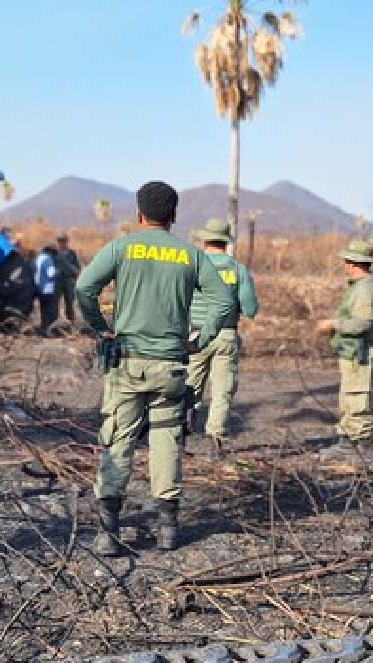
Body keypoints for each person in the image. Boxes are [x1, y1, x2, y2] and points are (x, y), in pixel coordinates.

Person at [76, 181, 233, 555]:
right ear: (174, 216)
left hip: (127, 362)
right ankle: (168, 530)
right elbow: (224, 301)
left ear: (138, 214)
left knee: (119, 438)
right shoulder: (191, 256)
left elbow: (84, 288)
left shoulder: (121, 248)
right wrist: (200, 338)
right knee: (166, 440)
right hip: (171, 365)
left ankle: (108, 531)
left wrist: (101, 327)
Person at [186, 218, 259, 455]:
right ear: (226, 242)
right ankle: (215, 440)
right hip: (226, 335)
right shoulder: (237, 269)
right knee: (221, 391)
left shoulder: (192, 266)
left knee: (189, 386)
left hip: (195, 335)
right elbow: (250, 309)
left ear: (205, 240)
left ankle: (182, 437)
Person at [315, 240, 373, 467]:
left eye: (347, 261)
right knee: (348, 399)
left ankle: (363, 447)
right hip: (353, 353)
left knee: (358, 400)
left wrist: (333, 325)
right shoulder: (361, 286)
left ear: (355, 263)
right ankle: (347, 443)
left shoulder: (365, 289)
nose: (344, 265)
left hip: (361, 353)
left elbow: (363, 323)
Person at [55, 232, 83, 324]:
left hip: (68, 281)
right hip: (57, 281)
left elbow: (77, 268)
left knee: (70, 303)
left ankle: (71, 322)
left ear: (67, 241)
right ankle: (55, 322)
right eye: (60, 241)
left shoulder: (72, 253)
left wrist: (74, 273)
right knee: (55, 302)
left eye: (63, 241)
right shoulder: (54, 253)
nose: (61, 243)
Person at [34, 245, 60, 330]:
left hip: (38, 287)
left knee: (43, 309)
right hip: (47, 288)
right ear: (50, 252)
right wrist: (58, 272)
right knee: (49, 310)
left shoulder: (38, 258)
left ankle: (43, 327)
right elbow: (51, 274)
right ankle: (48, 329)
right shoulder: (48, 259)